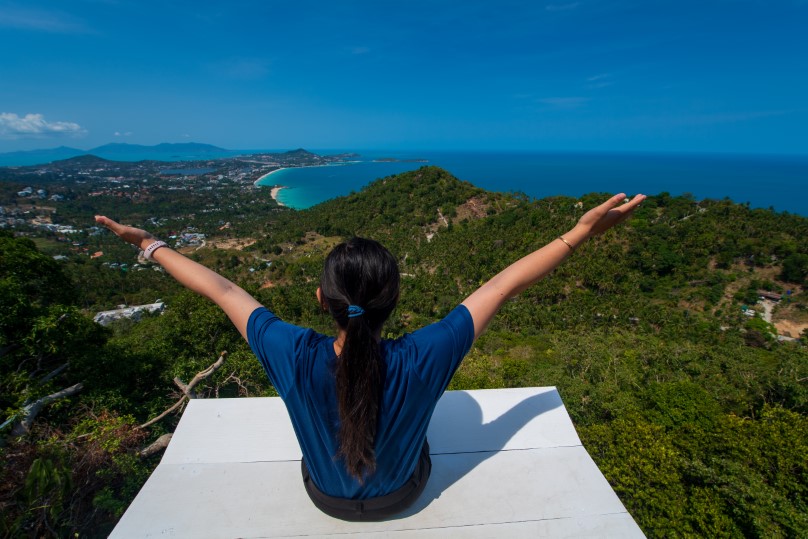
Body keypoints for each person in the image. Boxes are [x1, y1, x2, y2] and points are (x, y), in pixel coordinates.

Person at [95, 191, 645, 520]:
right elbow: (501, 286)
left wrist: (148, 244)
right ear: (394, 302)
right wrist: (580, 233)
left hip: (324, 499)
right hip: (403, 497)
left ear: (321, 300)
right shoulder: (424, 355)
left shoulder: (292, 352)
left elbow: (223, 291)